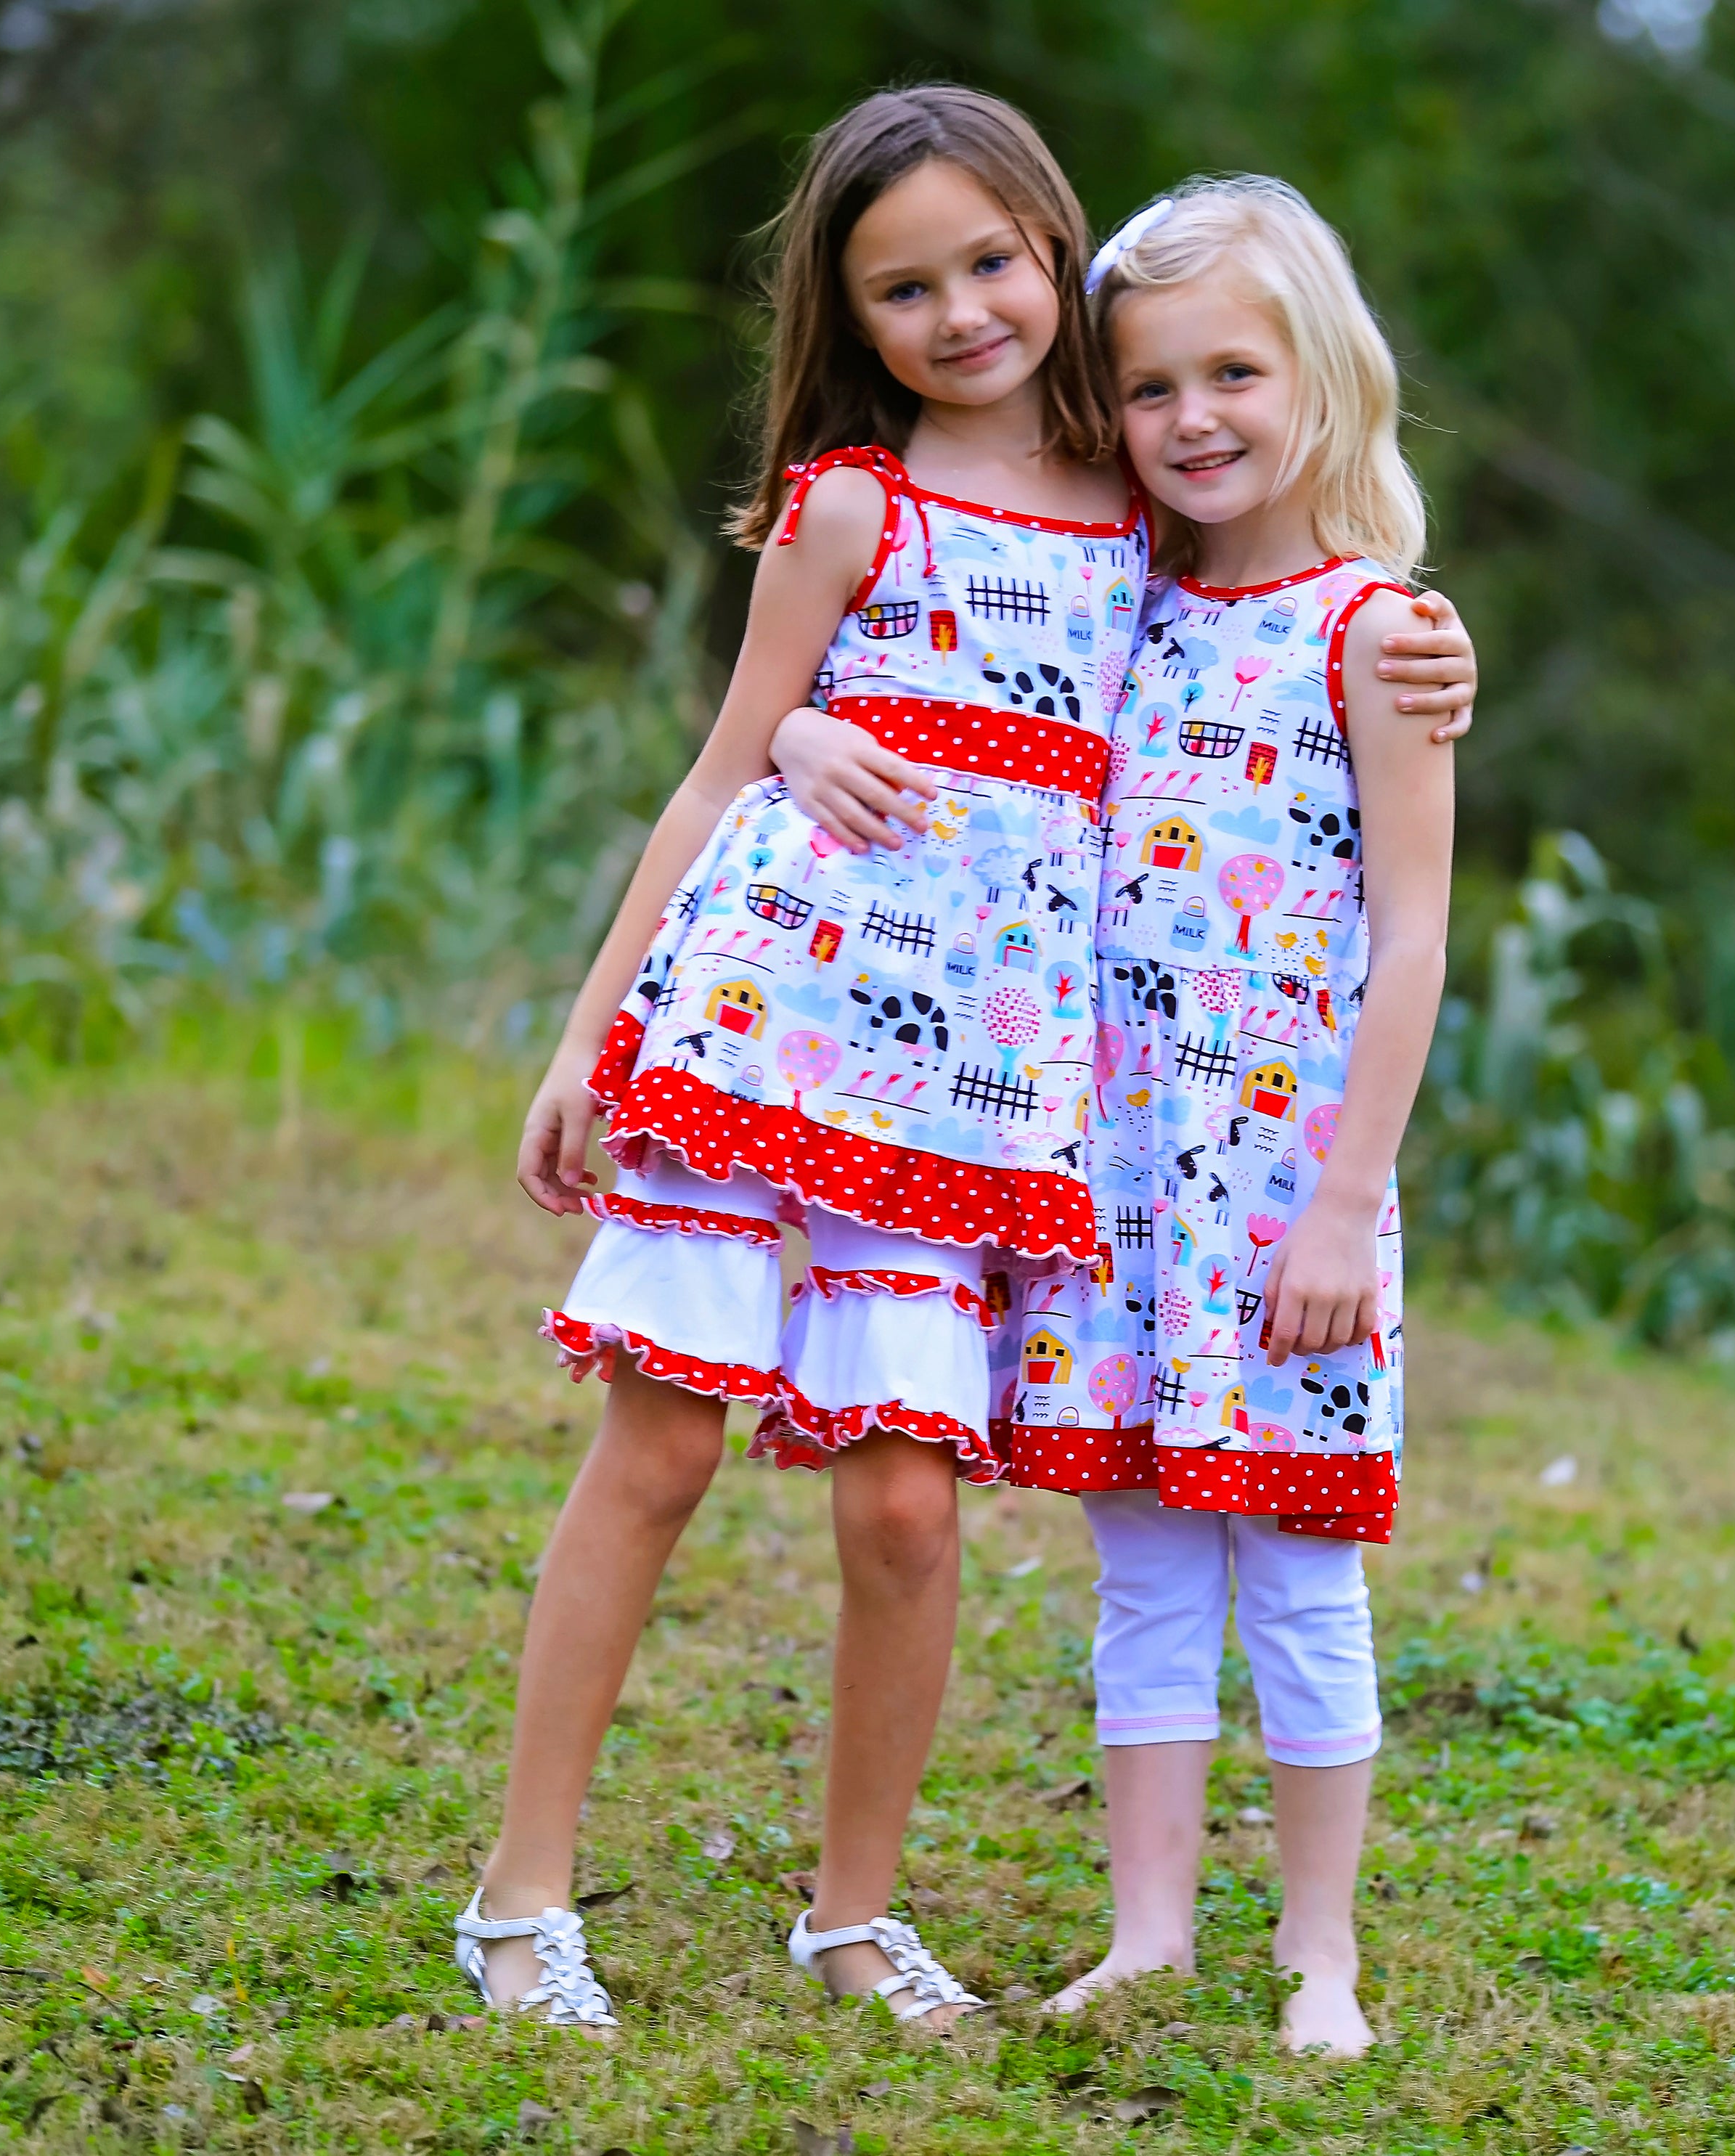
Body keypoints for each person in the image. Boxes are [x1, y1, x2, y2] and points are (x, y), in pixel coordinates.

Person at [462, 84, 1145, 2033]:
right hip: (774, 1019)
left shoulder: (1140, 505)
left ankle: (851, 1912)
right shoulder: (856, 498)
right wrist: (592, 1031)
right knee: (662, 1441)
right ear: (852, 317)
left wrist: (1413, 623)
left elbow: (1308, 563)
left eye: (992, 263)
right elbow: (723, 749)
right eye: (904, 287)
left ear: (1053, 243)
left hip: (973, 1074)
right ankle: (520, 1897)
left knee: (908, 1503)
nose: (961, 313)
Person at [997, 177, 1457, 2057]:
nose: (1192, 416)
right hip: (1120, 1194)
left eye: (1233, 372)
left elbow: (1414, 931)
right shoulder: (1120, 611)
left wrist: (1349, 1201)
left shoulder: (1375, 630)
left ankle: (1319, 1949)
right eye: (1151, 384)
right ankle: (1146, 1929)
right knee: (1141, 1569)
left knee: (1296, 1571)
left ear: (1319, 377)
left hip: (1286, 1196)